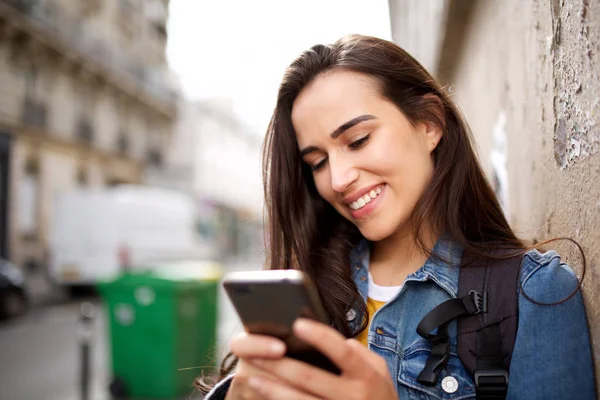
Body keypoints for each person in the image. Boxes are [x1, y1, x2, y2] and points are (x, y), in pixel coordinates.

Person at [197, 34, 596, 400]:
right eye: (317, 163)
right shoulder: (311, 297)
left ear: (429, 124)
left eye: (358, 140)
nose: (338, 179)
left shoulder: (534, 294)